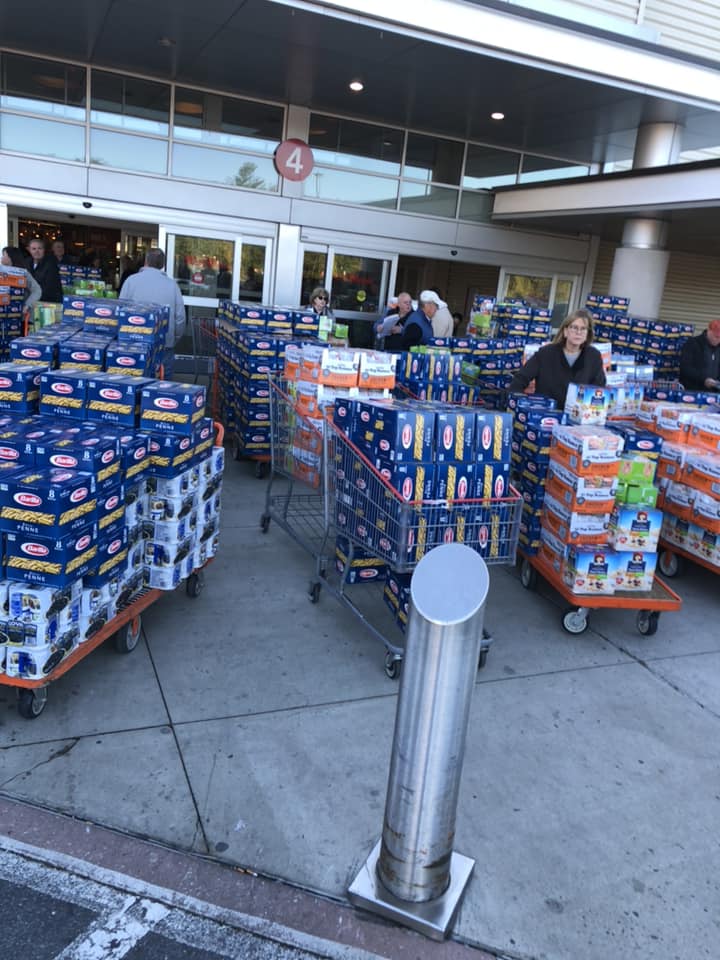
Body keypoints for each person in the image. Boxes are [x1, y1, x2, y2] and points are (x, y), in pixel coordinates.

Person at [508, 308, 606, 408]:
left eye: (583, 329)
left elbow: (599, 388)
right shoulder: (545, 353)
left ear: (588, 334)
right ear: (565, 331)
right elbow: (520, 379)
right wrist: (520, 406)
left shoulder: (594, 357)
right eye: (574, 328)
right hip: (545, 414)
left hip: (577, 417)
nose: (578, 332)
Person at [119, 248, 186, 379]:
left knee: (134, 383)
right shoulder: (172, 286)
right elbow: (180, 318)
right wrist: (173, 339)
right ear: (162, 265)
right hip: (164, 346)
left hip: (134, 343)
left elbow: (121, 311)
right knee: (162, 388)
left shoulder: (131, 281)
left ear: (145, 262)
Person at [679, 320, 720, 391]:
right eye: (716, 337)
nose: (718, 340)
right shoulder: (693, 343)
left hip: (714, 393)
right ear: (709, 331)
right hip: (693, 391)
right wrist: (704, 379)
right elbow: (685, 368)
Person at [1, 246, 43, 314]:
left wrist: (27, 305)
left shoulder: (22, 273)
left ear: (10, 257)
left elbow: (37, 290)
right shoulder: (1, 273)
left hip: (20, 314)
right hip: (3, 313)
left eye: (3, 255)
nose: (1, 257)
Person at [26, 237, 63, 303]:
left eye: (40, 248)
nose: (37, 251)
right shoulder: (26, 262)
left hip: (48, 303)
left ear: (44, 250)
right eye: (33, 249)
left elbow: (49, 289)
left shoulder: (51, 264)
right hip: (32, 301)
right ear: (29, 250)